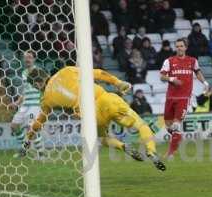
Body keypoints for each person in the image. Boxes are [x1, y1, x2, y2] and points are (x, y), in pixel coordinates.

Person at [16, 67, 166, 171]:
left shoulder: (46, 99)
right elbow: (98, 73)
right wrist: (118, 83)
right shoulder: (67, 71)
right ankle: (151, 152)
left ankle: (122, 146)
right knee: (142, 126)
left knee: (101, 139)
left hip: (91, 116)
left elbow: (38, 123)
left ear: (36, 84)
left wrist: (27, 141)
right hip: (106, 99)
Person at [160, 38, 209, 158]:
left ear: (186, 47)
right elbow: (162, 76)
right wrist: (172, 79)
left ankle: (170, 153)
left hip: (184, 98)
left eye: (181, 46)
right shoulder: (169, 61)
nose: (179, 48)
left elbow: (197, 72)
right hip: (170, 97)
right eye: (177, 46)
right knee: (168, 125)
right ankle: (178, 136)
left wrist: (205, 83)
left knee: (176, 125)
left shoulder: (192, 61)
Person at [10, 51, 44, 159]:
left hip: (34, 105)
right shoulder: (24, 72)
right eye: (25, 57)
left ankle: (40, 152)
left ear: (34, 59)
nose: (27, 59)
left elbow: (44, 87)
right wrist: (17, 102)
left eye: (29, 57)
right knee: (14, 126)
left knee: (31, 129)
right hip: (24, 106)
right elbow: (24, 91)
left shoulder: (38, 71)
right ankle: (24, 149)